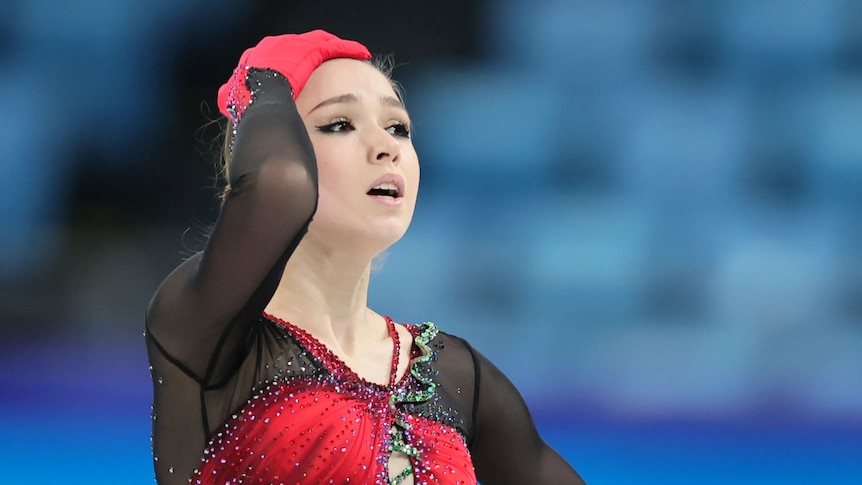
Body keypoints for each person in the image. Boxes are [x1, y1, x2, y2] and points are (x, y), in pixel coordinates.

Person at [145, 29, 586, 485]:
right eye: (339, 124)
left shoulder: (454, 375)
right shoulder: (207, 337)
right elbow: (282, 185)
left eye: (398, 127)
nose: (387, 146)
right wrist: (264, 80)